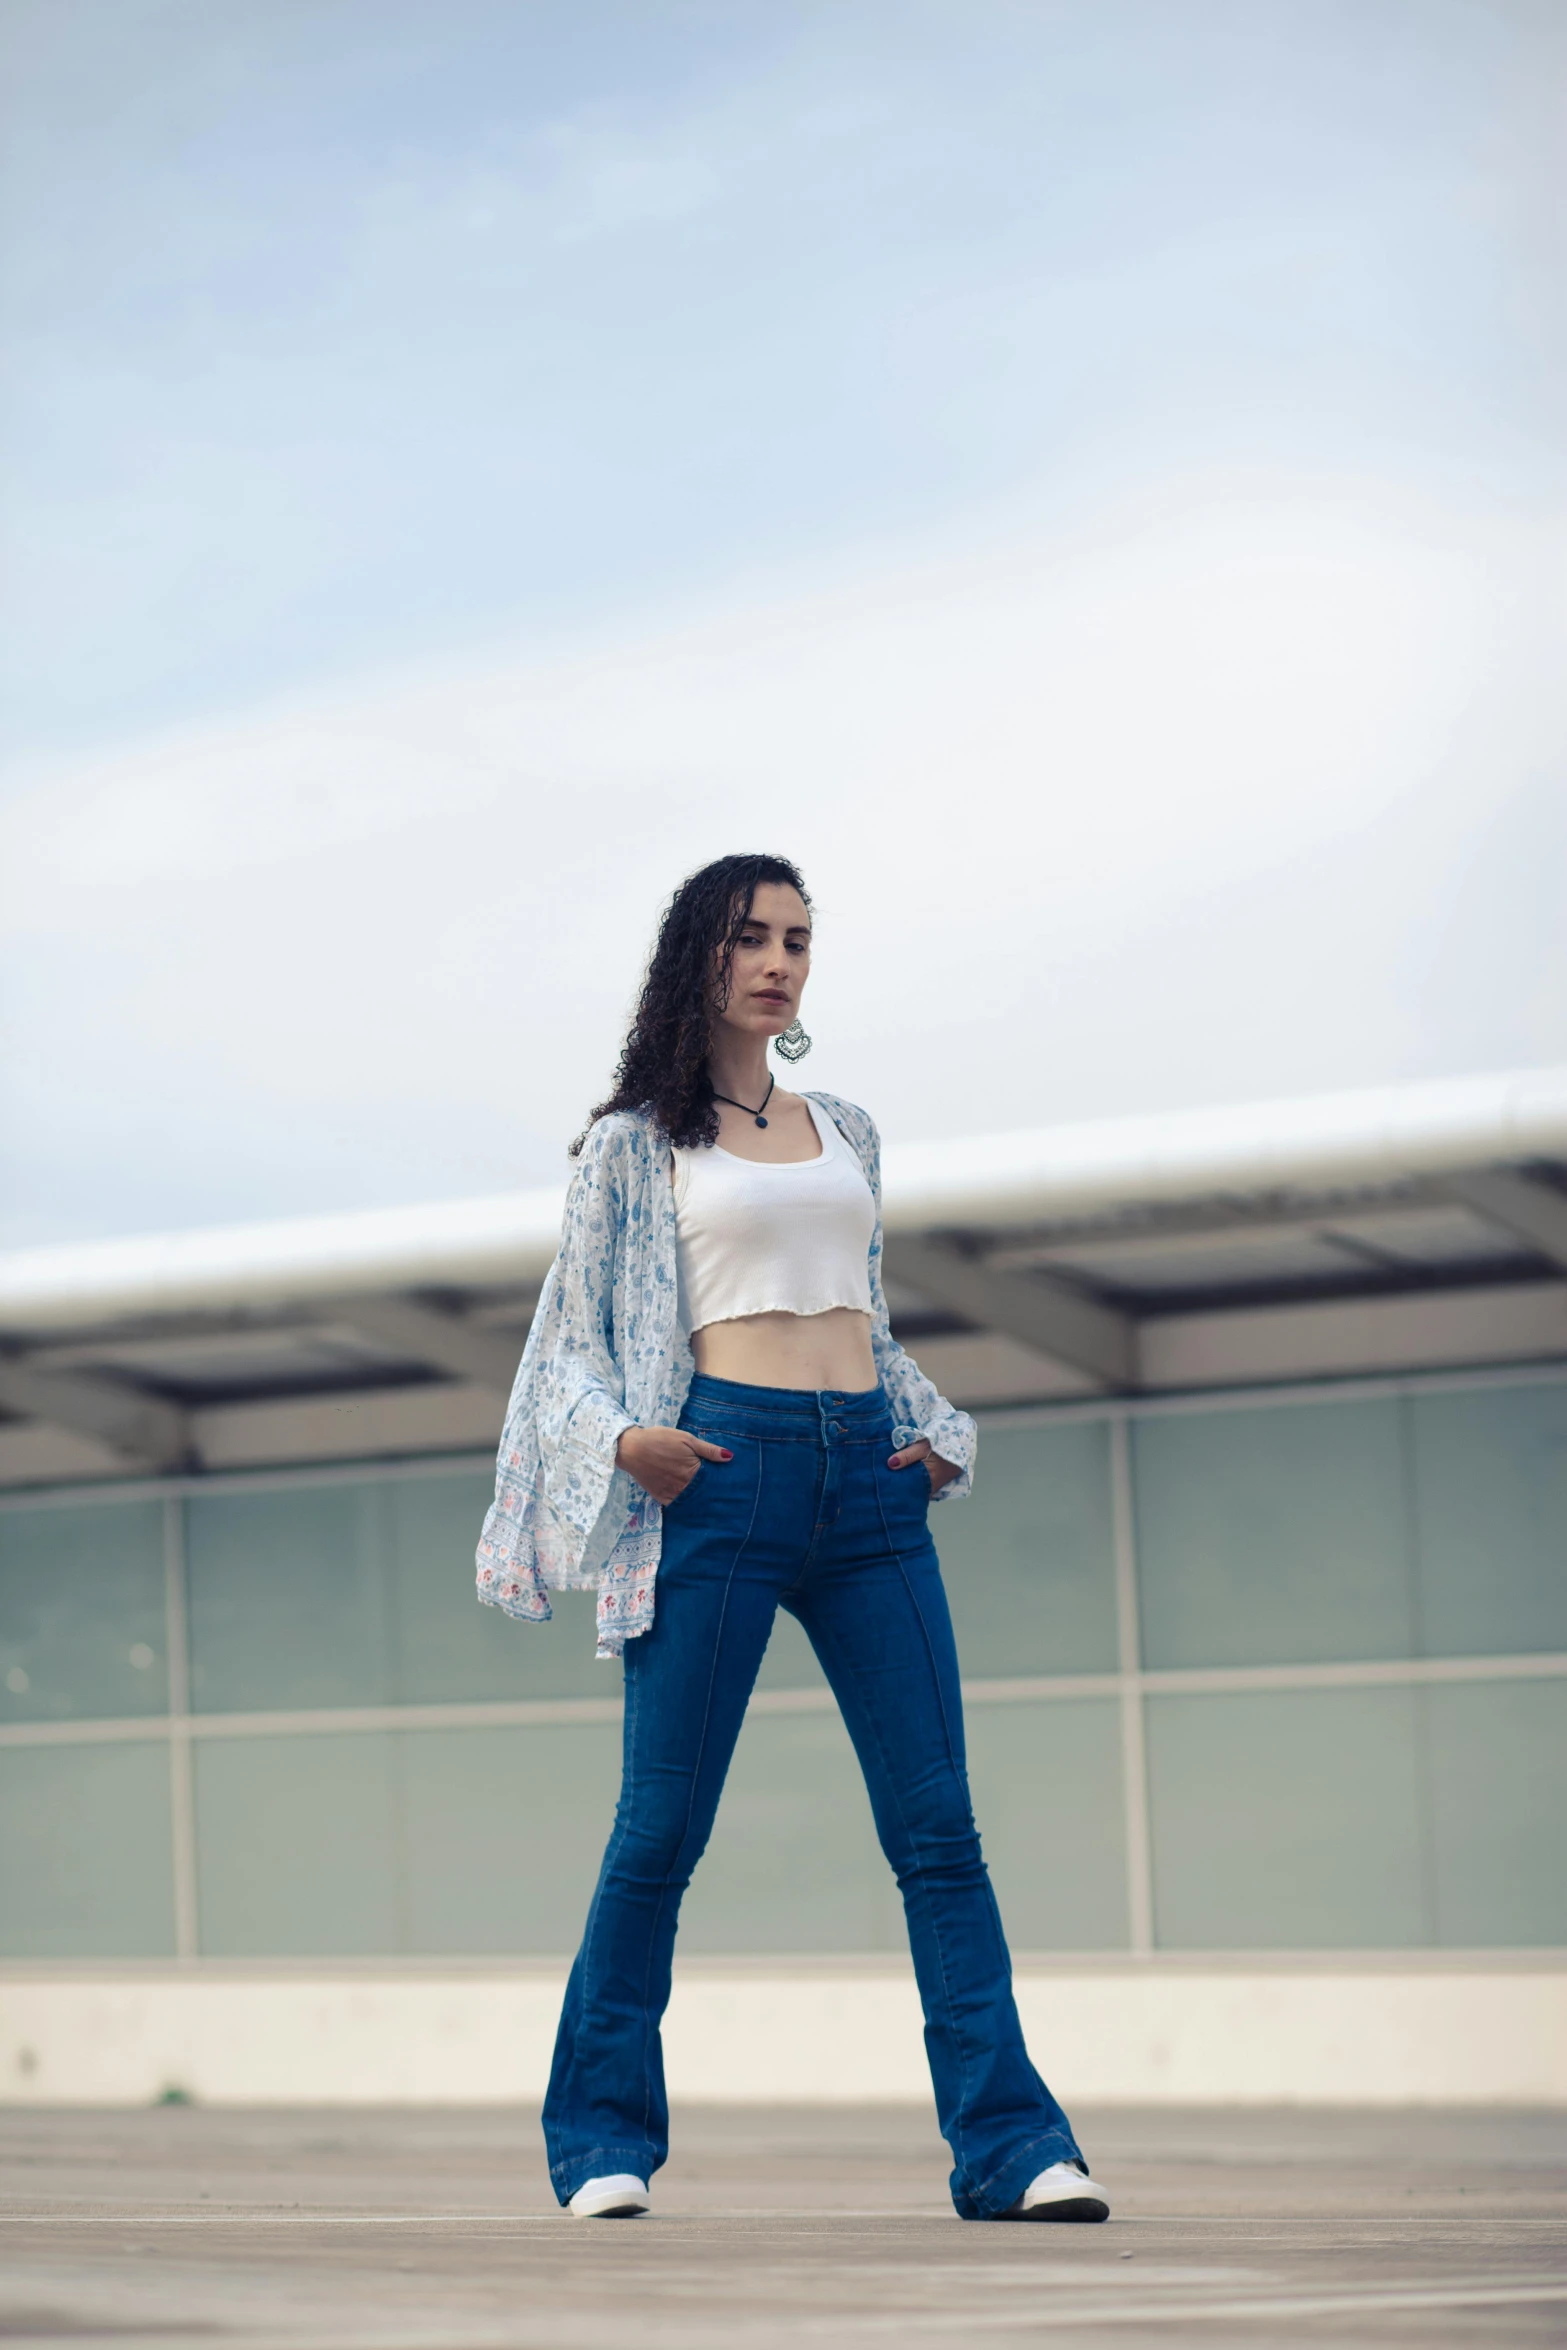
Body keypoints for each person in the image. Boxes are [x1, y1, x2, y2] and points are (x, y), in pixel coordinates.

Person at [476, 852, 1108, 2225]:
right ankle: (599, 2141)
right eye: (751, 936)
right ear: (697, 955)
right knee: (661, 1828)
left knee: (938, 1828)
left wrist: (934, 1425)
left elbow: (861, 1314)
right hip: (722, 1472)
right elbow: (571, 1340)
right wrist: (627, 1443)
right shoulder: (635, 1144)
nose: (778, 960)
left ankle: (1011, 2145)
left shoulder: (849, 1129)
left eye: (798, 940)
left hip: (870, 1487)